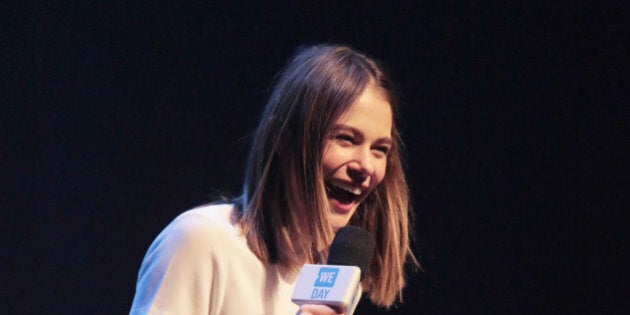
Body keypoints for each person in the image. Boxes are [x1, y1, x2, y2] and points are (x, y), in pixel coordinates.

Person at [130, 44, 418, 314]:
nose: (365, 165)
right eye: (345, 138)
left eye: (380, 149)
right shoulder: (202, 240)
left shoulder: (327, 280)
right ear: (285, 139)